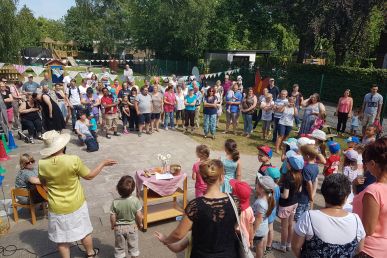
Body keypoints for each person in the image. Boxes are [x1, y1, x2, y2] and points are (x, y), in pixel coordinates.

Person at [38, 130, 117, 258]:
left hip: (56, 207)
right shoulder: (73, 160)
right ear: (62, 145)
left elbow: (43, 182)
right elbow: (89, 176)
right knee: (84, 232)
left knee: (62, 240)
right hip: (76, 203)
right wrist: (102, 163)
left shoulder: (42, 164)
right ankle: (90, 254)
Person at [154, 159, 241, 258]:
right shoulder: (235, 201)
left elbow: (178, 234)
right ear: (221, 177)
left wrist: (166, 240)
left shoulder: (195, 205)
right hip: (230, 254)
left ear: (204, 179)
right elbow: (235, 226)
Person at [292, 174, 365, 257]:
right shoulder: (356, 220)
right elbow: (359, 250)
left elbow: (295, 247)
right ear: (346, 197)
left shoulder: (308, 217)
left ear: (323, 193)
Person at [352, 137, 387, 258]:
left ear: (372, 163)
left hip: (367, 250)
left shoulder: (374, 190)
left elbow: (367, 230)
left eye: (365, 162)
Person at [272, 151, 303, 253]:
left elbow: (285, 195)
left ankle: (282, 245)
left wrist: (276, 192)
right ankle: (289, 244)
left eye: (287, 162)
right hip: (295, 203)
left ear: (290, 165)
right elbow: (299, 190)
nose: (286, 163)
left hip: (286, 205)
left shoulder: (288, 177)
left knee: (284, 227)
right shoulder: (299, 175)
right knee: (291, 224)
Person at [110, 175, 143, 258]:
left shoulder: (115, 202)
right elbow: (139, 215)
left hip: (119, 228)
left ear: (118, 189)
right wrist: (140, 224)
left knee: (119, 248)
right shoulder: (135, 201)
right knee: (133, 247)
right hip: (132, 227)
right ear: (133, 189)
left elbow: (112, 216)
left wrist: (113, 225)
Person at [294, 145, 320, 222]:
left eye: (303, 155)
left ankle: (298, 232)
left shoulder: (306, 168)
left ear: (307, 156)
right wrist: (312, 194)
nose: (302, 156)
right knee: (306, 216)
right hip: (308, 196)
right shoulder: (316, 166)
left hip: (303, 197)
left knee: (298, 217)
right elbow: (315, 180)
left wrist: (310, 196)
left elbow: (309, 183)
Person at [253, 176, 276, 258]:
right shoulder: (268, 197)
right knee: (261, 245)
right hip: (264, 227)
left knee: (258, 247)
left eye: (257, 184)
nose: (256, 185)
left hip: (258, 230)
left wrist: (253, 232)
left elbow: (258, 220)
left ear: (262, 189)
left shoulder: (260, 203)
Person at [230, 179, 255, 248]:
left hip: (234, 239)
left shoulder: (231, 209)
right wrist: (251, 239)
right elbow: (251, 226)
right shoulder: (249, 210)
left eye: (232, 190)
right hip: (245, 240)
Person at [266, 167, 281, 254]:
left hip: (268, 210)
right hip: (273, 210)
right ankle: (269, 245)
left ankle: (264, 245)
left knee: (266, 229)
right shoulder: (277, 187)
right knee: (271, 228)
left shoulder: (269, 189)